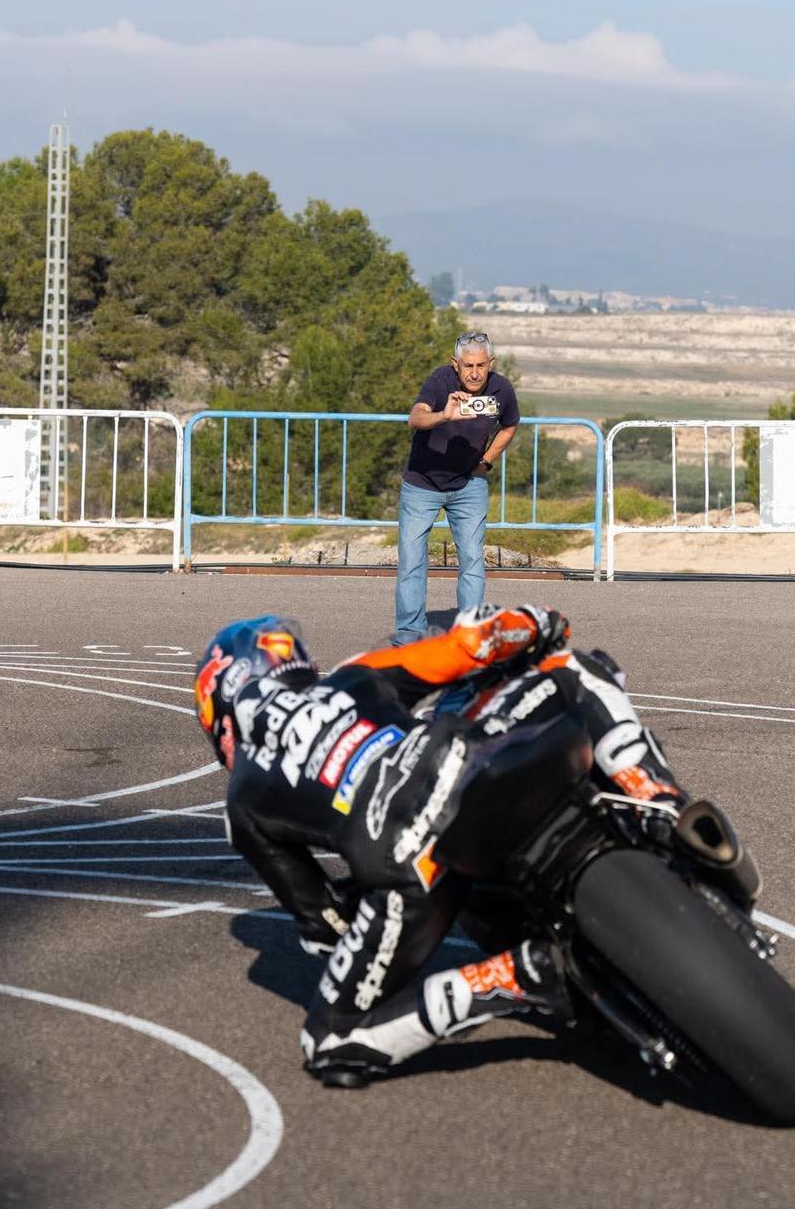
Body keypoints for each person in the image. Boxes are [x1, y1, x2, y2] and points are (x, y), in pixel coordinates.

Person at [194, 603, 686, 1087]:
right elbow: (471, 644)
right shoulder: (355, 674)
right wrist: (537, 623)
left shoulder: (242, 802)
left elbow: (325, 924)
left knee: (331, 1042)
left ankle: (513, 977)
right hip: (469, 767)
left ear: (222, 716)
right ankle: (657, 798)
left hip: (413, 865)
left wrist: (362, 903)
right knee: (568, 665)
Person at [393, 330, 519, 645]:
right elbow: (415, 418)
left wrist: (486, 461)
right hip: (422, 484)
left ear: (491, 363)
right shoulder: (440, 381)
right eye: (467, 366)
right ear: (455, 364)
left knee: (473, 561)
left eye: (481, 365)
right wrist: (443, 415)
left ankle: (469, 634)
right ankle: (409, 635)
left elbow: (510, 425)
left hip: (469, 485)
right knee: (411, 561)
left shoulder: (502, 389)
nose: (474, 373)